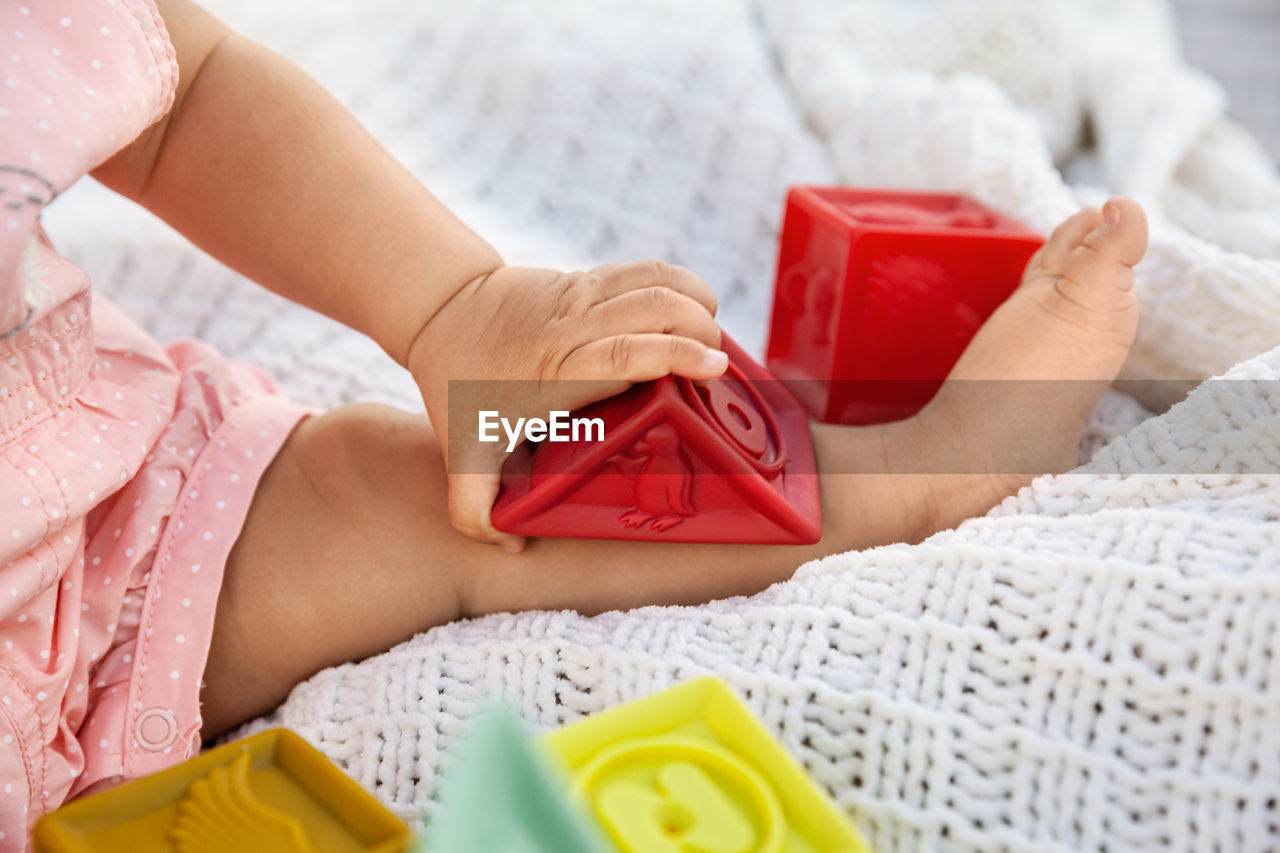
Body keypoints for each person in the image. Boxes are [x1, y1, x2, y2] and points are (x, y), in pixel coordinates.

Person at [0, 0, 1148, 842]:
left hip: (100, 499)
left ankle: (915, 475)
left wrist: (450, 305)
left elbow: (178, 93)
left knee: (463, 497)